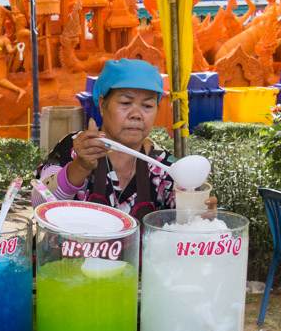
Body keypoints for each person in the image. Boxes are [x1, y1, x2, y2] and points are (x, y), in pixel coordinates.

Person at [32, 59, 216, 220]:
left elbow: (183, 225)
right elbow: (39, 201)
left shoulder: (165, 168)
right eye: (126, 103)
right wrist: (80, 166)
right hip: (71, 260)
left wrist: (201, 215)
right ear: (103, 104)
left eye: (147, 105)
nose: (136, 114)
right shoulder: (75, 147)